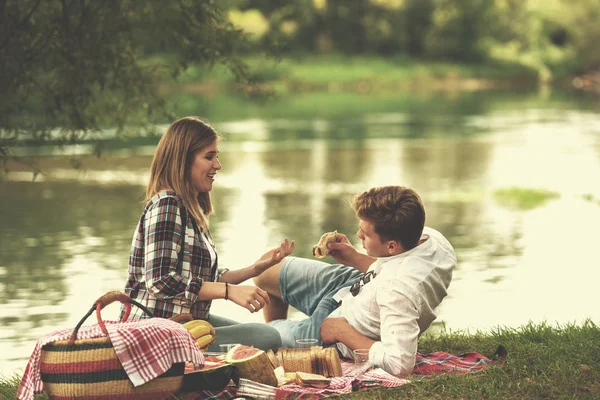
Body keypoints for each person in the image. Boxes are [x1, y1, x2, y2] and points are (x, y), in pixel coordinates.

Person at [121, 116, 294, 352]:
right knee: (266, 337)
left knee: (264, 336)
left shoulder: (188, 208)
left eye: (217, 156)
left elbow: (202, 277)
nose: (218, 165)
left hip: (185, 325)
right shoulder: (167, 205)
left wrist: (256, 269)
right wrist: (228, 293)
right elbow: (160, 281)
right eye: (209, 156)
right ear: (183, 160)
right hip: (155, 335)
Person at [254, 186, 456, 376]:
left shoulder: (397, 292)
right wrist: (354, 258)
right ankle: (282, 338)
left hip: (334, 333)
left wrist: (342, 332)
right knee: (265, 270)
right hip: (354, 286)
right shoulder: (433, 239)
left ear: (392, 246)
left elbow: (400, 364)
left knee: (255, 338)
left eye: (366, 234)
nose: (358, 234)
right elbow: (396, 267)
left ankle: (283, 344)